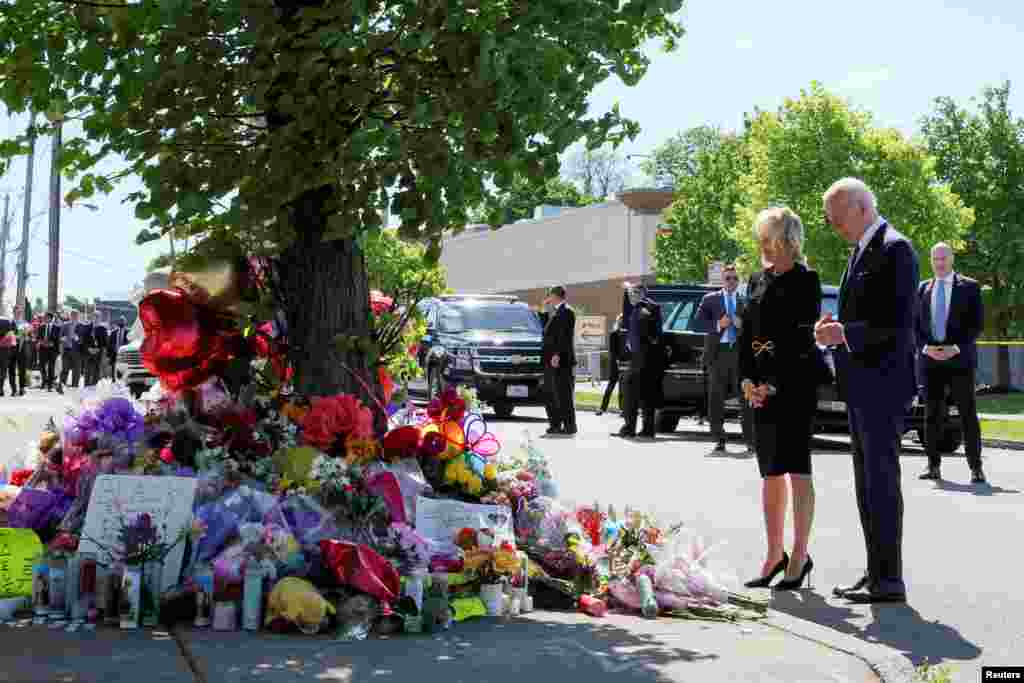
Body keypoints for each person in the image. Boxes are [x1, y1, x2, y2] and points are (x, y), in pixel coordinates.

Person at [815, 178, 918, 604]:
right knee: (867, 484)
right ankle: (876, 572)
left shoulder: (896, 249)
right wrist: (833, 331)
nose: (835, 227)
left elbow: (897, 324)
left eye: (838, 219)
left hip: (883, 385)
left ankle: (889, 580)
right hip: (862, 384)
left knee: (880, 482)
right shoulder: (862, 249)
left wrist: (846, 333)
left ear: (860, 207)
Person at [739, 208, 821, 591]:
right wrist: (747, 381)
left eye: (767, 238)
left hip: (794, 388)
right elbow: (746, 334)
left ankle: (799, 555)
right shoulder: (756, 279)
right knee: (770, 471)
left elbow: (800, 343)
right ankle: (774, 554)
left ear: (787, 241)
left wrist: (772, 383)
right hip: (759, 390)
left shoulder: (807, 281)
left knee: (797, 469)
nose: (761, 246)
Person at [916, 243, 986, 483]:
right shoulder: (923, 288)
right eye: (935, 258)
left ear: (952, 258)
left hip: (960, 360)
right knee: (932, 415)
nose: (939, 263)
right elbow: (914, 325)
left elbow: (976, 325)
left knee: (967, 413)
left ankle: (976, 467)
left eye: (944, 258)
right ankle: (933, 465)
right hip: (931, 361)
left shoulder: (969, 287)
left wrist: (954, 348)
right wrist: (926, 348)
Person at [694, 264, 754, 455]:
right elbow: (697, 324)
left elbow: (755, 329)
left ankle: (750, 441)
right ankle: (719, 439)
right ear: (722, 280)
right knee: (716, 399)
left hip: (739, 353)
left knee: (746, 398)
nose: (731, 282)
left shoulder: (746, 301)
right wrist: (718, 324)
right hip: (717, 354)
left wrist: (742, 325)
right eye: (728, 278)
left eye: (735, 278)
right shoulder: (710, 300)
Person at [617, 284, 664, 439]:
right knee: (636, 393)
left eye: (634, 293)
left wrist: (647, 341)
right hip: (636, 356)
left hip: (646, 357)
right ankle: (638, 428)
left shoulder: (649, 307)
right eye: (630, 293)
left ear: (642, 294)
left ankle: (637, 429)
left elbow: (654, 332)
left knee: (640, 394)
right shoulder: (635, 307)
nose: (631, 296)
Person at [541, 285, 577, 436]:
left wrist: (556, 354)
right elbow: (548, 331)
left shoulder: (566, 311)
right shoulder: (555, 312)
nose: (548, 298)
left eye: (550, 295)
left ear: (555, 295)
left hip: (561, 360)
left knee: (564, 394)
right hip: (552, 359)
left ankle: (569, 426)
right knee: (553, 393)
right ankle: (556, 424)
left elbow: (564, 336)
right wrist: (544, 311)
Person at [596, 312, 624, 416]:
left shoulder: (627, 333)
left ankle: (622, 409)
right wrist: (616, 360)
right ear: (618, 321)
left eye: (623, 319)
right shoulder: (614, 333)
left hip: (624, 364)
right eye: (620, 319)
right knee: (610, 386)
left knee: (622, 388)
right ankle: (602, 408)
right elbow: (612, 350)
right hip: (615, 364)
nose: (621, 321)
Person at [36, 312, 62, 391]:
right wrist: (42, 342)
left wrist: (52, 343)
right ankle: (44, 381)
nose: (45, 319)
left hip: (52, 350)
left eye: (47, 317)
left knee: (51, 367)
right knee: (42, 366)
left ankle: (50, 385)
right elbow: (38, 337)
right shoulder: (41, 327)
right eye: (45, 317)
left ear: (51, 318)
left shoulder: (56, 327)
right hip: (43, 349)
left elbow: (58, 339)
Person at [60, 310, 84, 389]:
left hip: (77, 350)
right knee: (65, 368)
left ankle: (75, 385)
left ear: (78, 316)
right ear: (70, 316)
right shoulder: (65, 324)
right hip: (67, 349)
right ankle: (62, 384)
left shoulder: (82, 325)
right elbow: (61, 336)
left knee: (76, 370)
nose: (74, 316)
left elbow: (83, 338)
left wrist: (78, 339)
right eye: (73, 315)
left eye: (76, 315)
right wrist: (63, 338)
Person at [108, 316, 130, 380]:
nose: (121, 322)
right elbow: (110, 343)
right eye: (120, 321)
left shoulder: (128, 332)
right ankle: (113, 379)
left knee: (123, 366)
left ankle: (124, 378)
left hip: (124, 353)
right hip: (115, 352)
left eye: (123, 321)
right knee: (114, 366)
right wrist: (109, 354)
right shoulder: (113, 332)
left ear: (125, 322)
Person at [0, 315, 17, 396]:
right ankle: (12, 389)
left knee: (3, 370)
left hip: (5, 348)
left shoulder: (6, 321)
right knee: (6, 370)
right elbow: (13, 335)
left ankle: (1, 389)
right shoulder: (9, 321)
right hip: (7, 349)